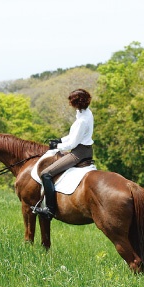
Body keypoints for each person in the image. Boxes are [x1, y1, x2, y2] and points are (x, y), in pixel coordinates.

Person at [33, 89, 94, 220]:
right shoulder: (85, 112)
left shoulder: (82, 121)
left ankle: (50, 210)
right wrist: (60, 140)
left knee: (46, 174)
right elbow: (73, 136)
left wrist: (57, 146)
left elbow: (72, 143)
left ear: (76, 102)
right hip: (83, 148)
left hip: (79, 153)